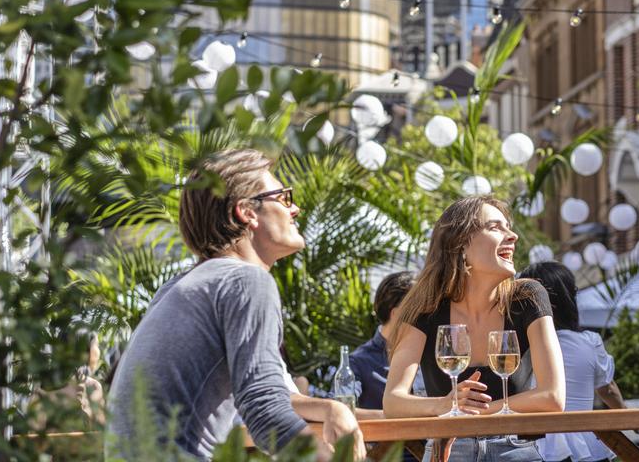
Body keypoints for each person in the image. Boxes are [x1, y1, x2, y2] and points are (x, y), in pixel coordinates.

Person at [105, 149, 362, 461]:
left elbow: (262, 392)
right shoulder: (246, 281)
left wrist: (328, 407)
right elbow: (264, 407)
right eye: (283, 197)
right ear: (247, 212)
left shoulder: (184, 286)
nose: (296, 208)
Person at [383, 196, 565, 462]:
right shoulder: (427, 307)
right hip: (448, 449)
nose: (512, 235)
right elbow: (393, 402)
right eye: (495, 227)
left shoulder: (528, 297)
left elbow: (553, 398)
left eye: (508, 226)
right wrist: (445, 405)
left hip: (514, 448)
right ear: (460, 245)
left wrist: (477, 412)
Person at [518, 261, 626, 462]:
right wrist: (626, 415)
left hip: (533, 441)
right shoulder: (589, 341)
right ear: (570, 297)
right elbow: (607, 389)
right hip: (583, 440)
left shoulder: (519, 344)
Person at [349, 271, 416, 410]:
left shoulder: (432, 354)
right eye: (418, 307)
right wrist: (392, 417)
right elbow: (341, 409)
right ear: (397, 314)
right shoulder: (358, 362)